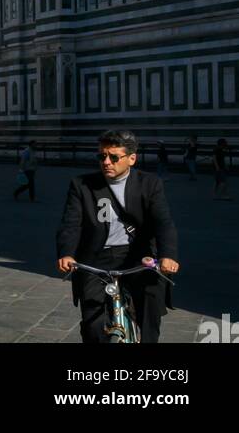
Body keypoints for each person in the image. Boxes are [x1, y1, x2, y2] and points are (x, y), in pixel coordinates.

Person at [56, 128, 179, 344]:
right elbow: (71, 223)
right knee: (92, 320)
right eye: (102, 156)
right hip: (97, 256)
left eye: (114, 157)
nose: (106, 162)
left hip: (138, 254)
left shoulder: (149, 184)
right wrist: (67, 253)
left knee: (151, 299)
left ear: (131, 159)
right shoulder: (82, 185)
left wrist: (168, 255)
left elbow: (163, 222)